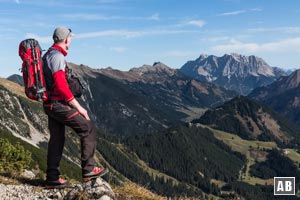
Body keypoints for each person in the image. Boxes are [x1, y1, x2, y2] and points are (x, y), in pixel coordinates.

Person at [43, 27, 107, 188]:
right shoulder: (57, 57)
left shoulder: (48, 55)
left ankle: (52, 178)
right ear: (65, 40)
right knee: (88, 129)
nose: (70, 40)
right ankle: (88, 171)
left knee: (57, 139)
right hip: (58, 105)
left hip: (49, 104)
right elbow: (61, 85)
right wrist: (79, 107)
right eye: (70, 38)